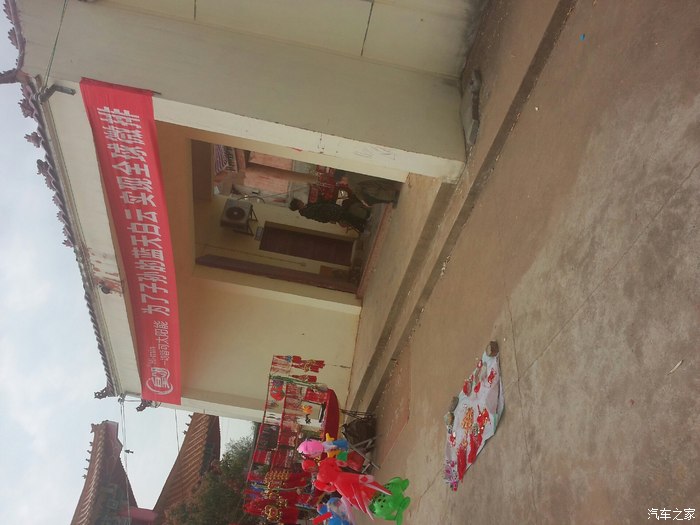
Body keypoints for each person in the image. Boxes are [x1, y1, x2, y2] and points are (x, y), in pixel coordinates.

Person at [289, 197, 368, 233]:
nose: (301, 200)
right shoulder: (306, 211)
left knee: (349, 217)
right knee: (349, 217)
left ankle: (363, 224)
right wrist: (329, 218)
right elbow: (319, 211)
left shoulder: (307, 207)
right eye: (299, 201)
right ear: (298, 204)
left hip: (333, 210)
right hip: (332, 213)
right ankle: (363, 226)